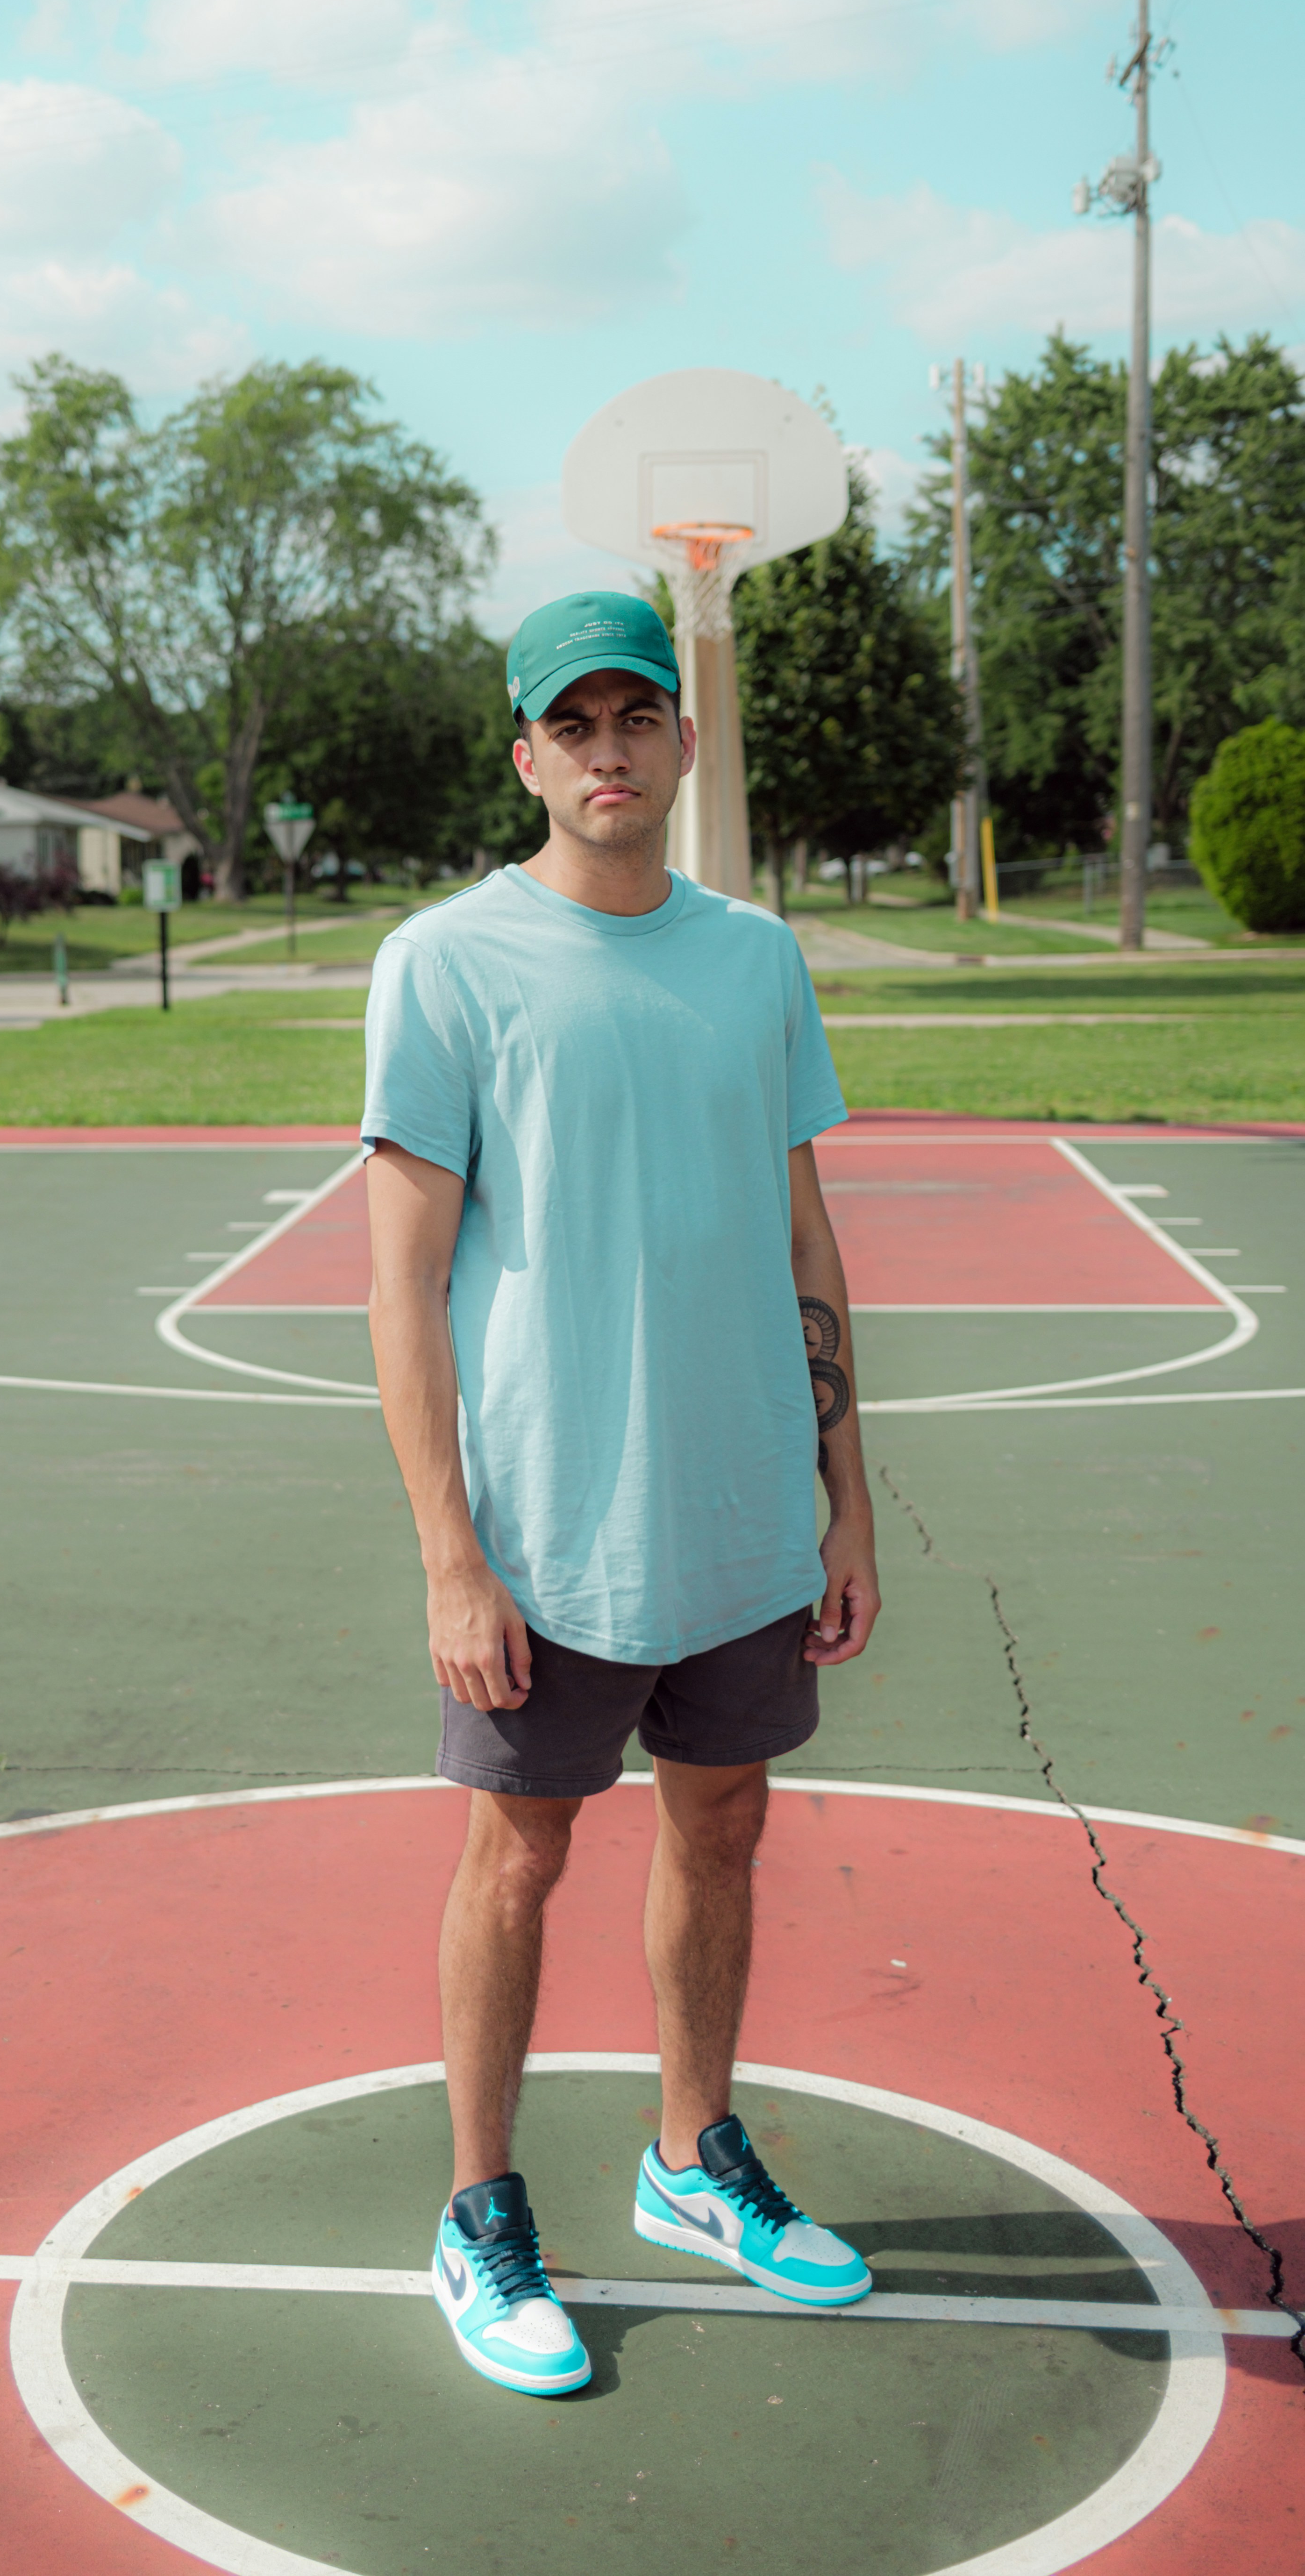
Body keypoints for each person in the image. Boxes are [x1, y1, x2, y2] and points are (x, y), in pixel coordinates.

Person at [362, 588, 881, 2398]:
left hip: (737, 1502)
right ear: (524, 755)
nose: (606, 751)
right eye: (568, 725)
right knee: (518, 1852)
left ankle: (687, 2159)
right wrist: (448, 1555)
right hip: (542, 1524)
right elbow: (398, 1285)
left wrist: (845, 1492)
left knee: (722, 1820)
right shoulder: (444, 962)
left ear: (679, 742)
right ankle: (478, 2208)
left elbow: (800, 1228)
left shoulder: (753, 959)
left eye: (633, 719)